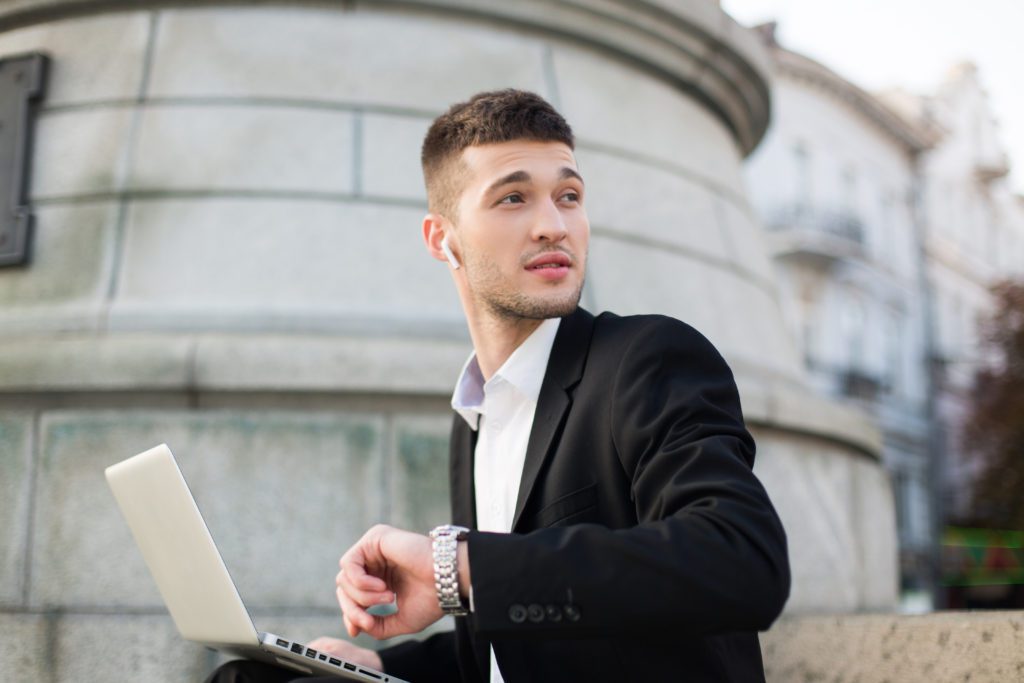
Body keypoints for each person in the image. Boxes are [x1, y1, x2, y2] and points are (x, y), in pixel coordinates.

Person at [209, 89, 789, 683]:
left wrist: (456, 567)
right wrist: (377, 660)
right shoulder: (474, 418)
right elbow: (509, 651)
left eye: (569, 196)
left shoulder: (647, 359)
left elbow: (741, 561)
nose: (553, 226)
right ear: (443, 240)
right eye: (513, 198)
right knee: (247, 678)